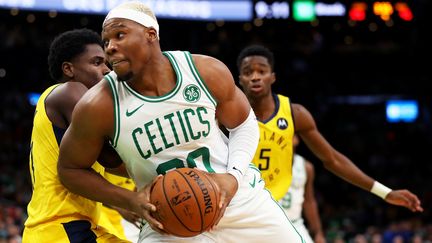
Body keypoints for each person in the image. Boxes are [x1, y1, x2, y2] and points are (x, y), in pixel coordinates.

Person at [57, 1, 304, 242]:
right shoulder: (98, 105)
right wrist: (129, 199)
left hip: (239, 201)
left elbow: (242, 124)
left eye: (119, 34)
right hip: (167, 221)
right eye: (106, 41)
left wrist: (234, 176)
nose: (110, 47)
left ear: (150, 34)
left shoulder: (204, 71)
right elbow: (70, 169)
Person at [236, 44, 423, 212]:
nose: (255, 77)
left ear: (272, 77)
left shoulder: (295, 114)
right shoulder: (227, 114)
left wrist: (385, 193)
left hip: (272, 209)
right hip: (236, 205)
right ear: (239, 79)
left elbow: (333, 159)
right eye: (248, 72)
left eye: (262, 71)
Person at [22, 28, 130, 243]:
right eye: (97, 62)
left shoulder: (64, 102)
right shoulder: (70, 90)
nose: (107, 70)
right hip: (61, 229)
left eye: (107, 63)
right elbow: (110, 157)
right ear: (69, 69)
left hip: (66, 229)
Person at [280, 135, 326, 243]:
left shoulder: (306, 167)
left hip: (295, 223)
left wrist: (318, 232)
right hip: (269, 223)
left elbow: (309, 201)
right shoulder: (266, 162)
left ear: (296, 140)